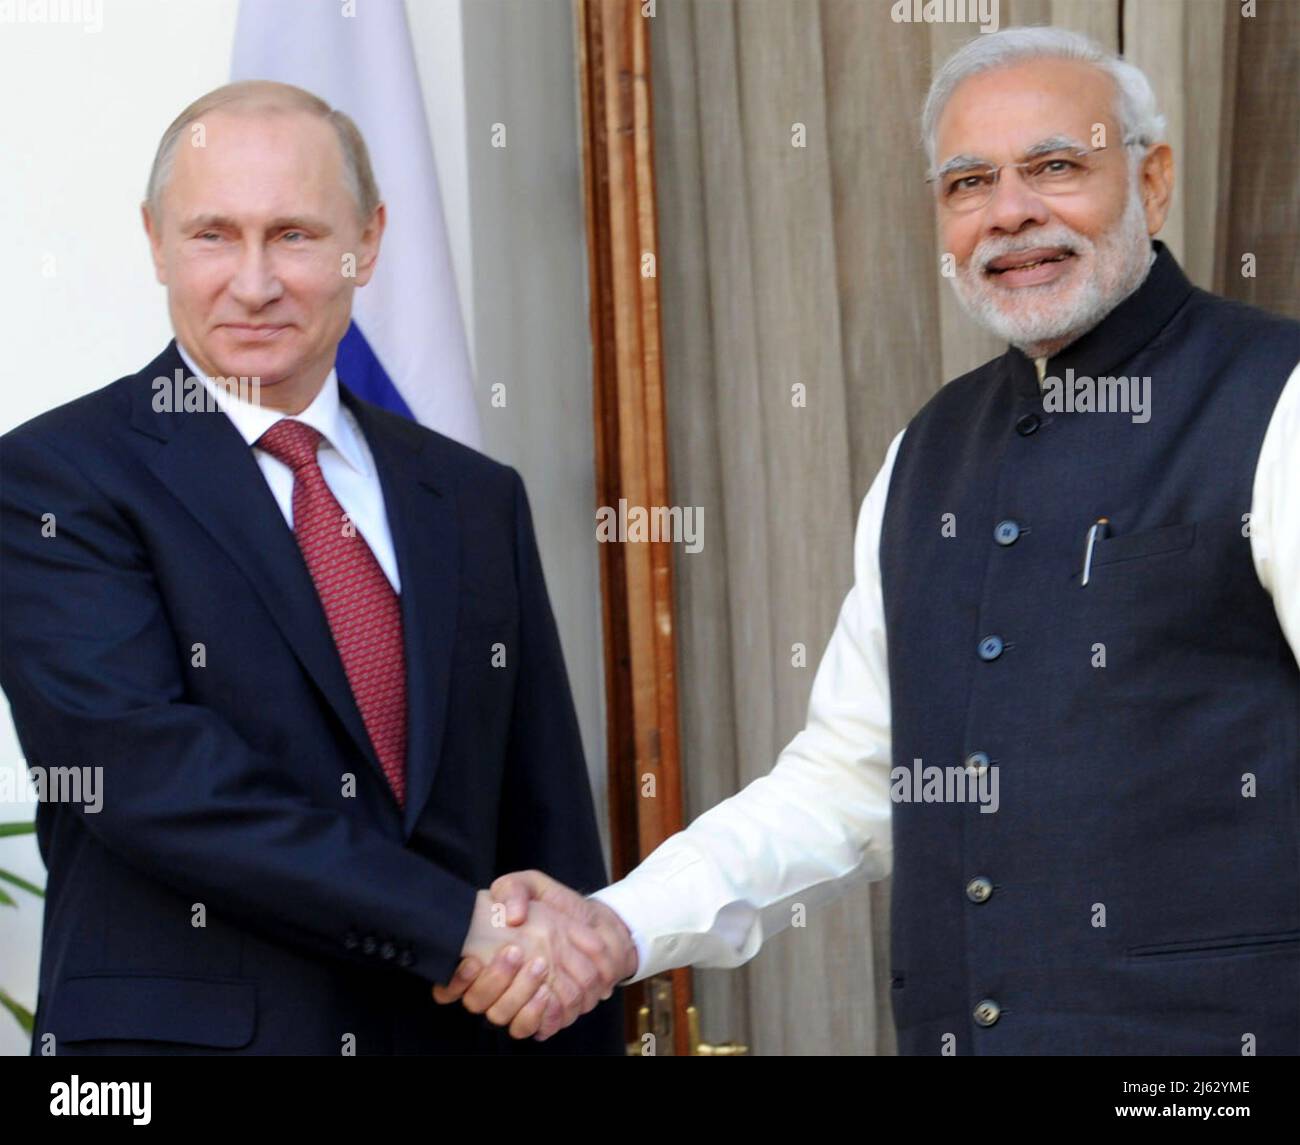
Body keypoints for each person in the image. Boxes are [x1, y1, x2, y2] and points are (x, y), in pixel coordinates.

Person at [437, 27, 1300, 1054]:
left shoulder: (1278, 399)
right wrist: (617, 922)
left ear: (1151, 183)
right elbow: (851, 778)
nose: (1009, 211)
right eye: (967, 182)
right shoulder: (924, 452)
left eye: (1056, 167)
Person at [0, 80, 625, 1055]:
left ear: (366, 243)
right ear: (156, 241)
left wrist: (565, 983)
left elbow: (540, 820)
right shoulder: (54, 478)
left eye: (293, 234)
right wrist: (458, 924)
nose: (253, 283)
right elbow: (153, 779)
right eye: (213, 235)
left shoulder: (470, 495)